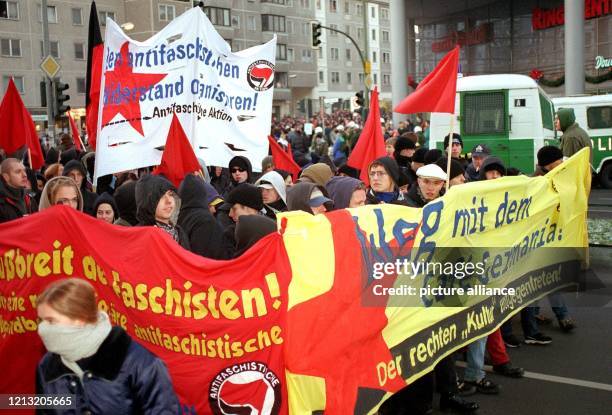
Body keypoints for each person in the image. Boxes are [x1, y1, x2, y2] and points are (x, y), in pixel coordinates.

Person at [36, 278, 179, 414]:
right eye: (41, 320)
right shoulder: (47, 367)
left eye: (50, 321)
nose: (42, 328)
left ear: (79, 318)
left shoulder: (142, 364)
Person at [178, 174, 233, 260]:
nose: (214, 210)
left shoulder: (177, 220)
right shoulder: (206, 222)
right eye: (210, 205)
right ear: (202, 199)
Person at [135, 175, 190, 249]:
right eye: (161, 197)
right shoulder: (141, 236)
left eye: (170, 194)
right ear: (147, 202)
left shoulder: (178, 232)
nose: (169, 201)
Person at [0, 158, 38, 223]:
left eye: (24, 171)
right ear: (6, 177)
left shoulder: (30, 198)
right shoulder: (1, 203)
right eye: (18, 172)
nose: (24, 175)